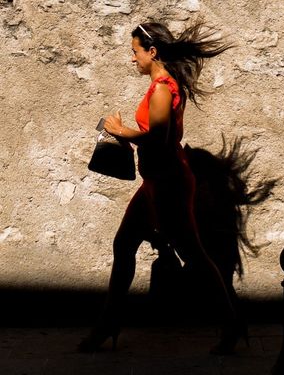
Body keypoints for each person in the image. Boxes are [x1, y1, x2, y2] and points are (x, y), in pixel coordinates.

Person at [79, 21, 243, 354]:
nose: (133, 59)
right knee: (124, 244)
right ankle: (109, 323)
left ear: (152, 52)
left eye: (135, 52)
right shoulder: (159, 85)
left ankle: (231, 324)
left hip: (169, 183)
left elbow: (159, 137)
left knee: (194, 255)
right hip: (155, 181)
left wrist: (120, 130)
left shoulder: (162, 89)